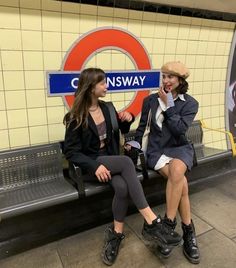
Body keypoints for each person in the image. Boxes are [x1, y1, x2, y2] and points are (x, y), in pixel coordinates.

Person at [63, 67, 182, 266]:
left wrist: (127, 120)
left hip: (110, 160)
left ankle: (116, 234)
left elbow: (118, 130)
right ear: (91, 87)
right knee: (127, 162)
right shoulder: (76, 115)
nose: (106, 86)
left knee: (122, 187)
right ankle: (152, 221)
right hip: (92, 165)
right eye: (102, 83)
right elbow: (72, 152)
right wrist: (94, 166)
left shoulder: (107, 107)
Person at [135, 61, 200, 264]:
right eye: (164, 76)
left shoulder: (190, 103)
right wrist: (135, 146)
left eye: (171, 77)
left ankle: (168, 224)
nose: (166, 80)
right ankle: (188, 230)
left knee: (177, 172)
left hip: (179, 147)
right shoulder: (150, 100)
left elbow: (180, 130)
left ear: (180, 81)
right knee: (182, 183)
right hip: (157, 150)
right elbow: (141, 127)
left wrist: (169, 104)